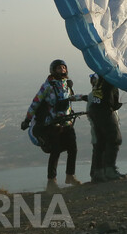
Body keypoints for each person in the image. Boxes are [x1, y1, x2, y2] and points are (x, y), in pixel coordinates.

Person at [21, 60, 87, 190]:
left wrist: (84, 97)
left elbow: (70, 98)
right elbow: (36, 102)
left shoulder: (67, 84)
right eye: (59, 68)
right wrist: (27, 120)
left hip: (67, 122)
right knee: (56, 151)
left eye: (64, 67)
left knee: (72, 148)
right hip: (53, 124)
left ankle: (70, 176)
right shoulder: (48, 86)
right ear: (53, 70)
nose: (62, 70)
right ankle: (51, 181)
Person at [87, 73, 127, 183]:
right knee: (115, 138)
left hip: (94, 108)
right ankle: (109, 171)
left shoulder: (102, 72)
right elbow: (126, 85)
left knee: (101, 142)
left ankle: (98, 173)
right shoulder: (111, 73)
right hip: (104, 109)